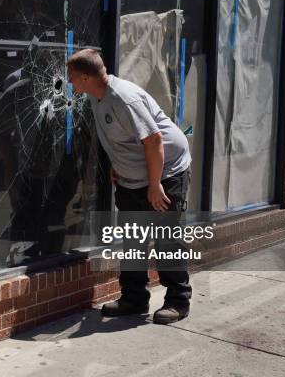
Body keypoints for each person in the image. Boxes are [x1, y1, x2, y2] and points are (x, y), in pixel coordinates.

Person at [67, 49, 192, 324]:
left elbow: (154, 141)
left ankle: (178, 301)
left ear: (86, 77)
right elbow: (123, 139)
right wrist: (119, 165)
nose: (69, 82)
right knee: (134, 240)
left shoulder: (123, 98)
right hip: (132, 178)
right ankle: (134, 299)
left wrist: (155, 184)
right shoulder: (96, 97)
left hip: (166, 173)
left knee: (165, 239)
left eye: (72, 77)